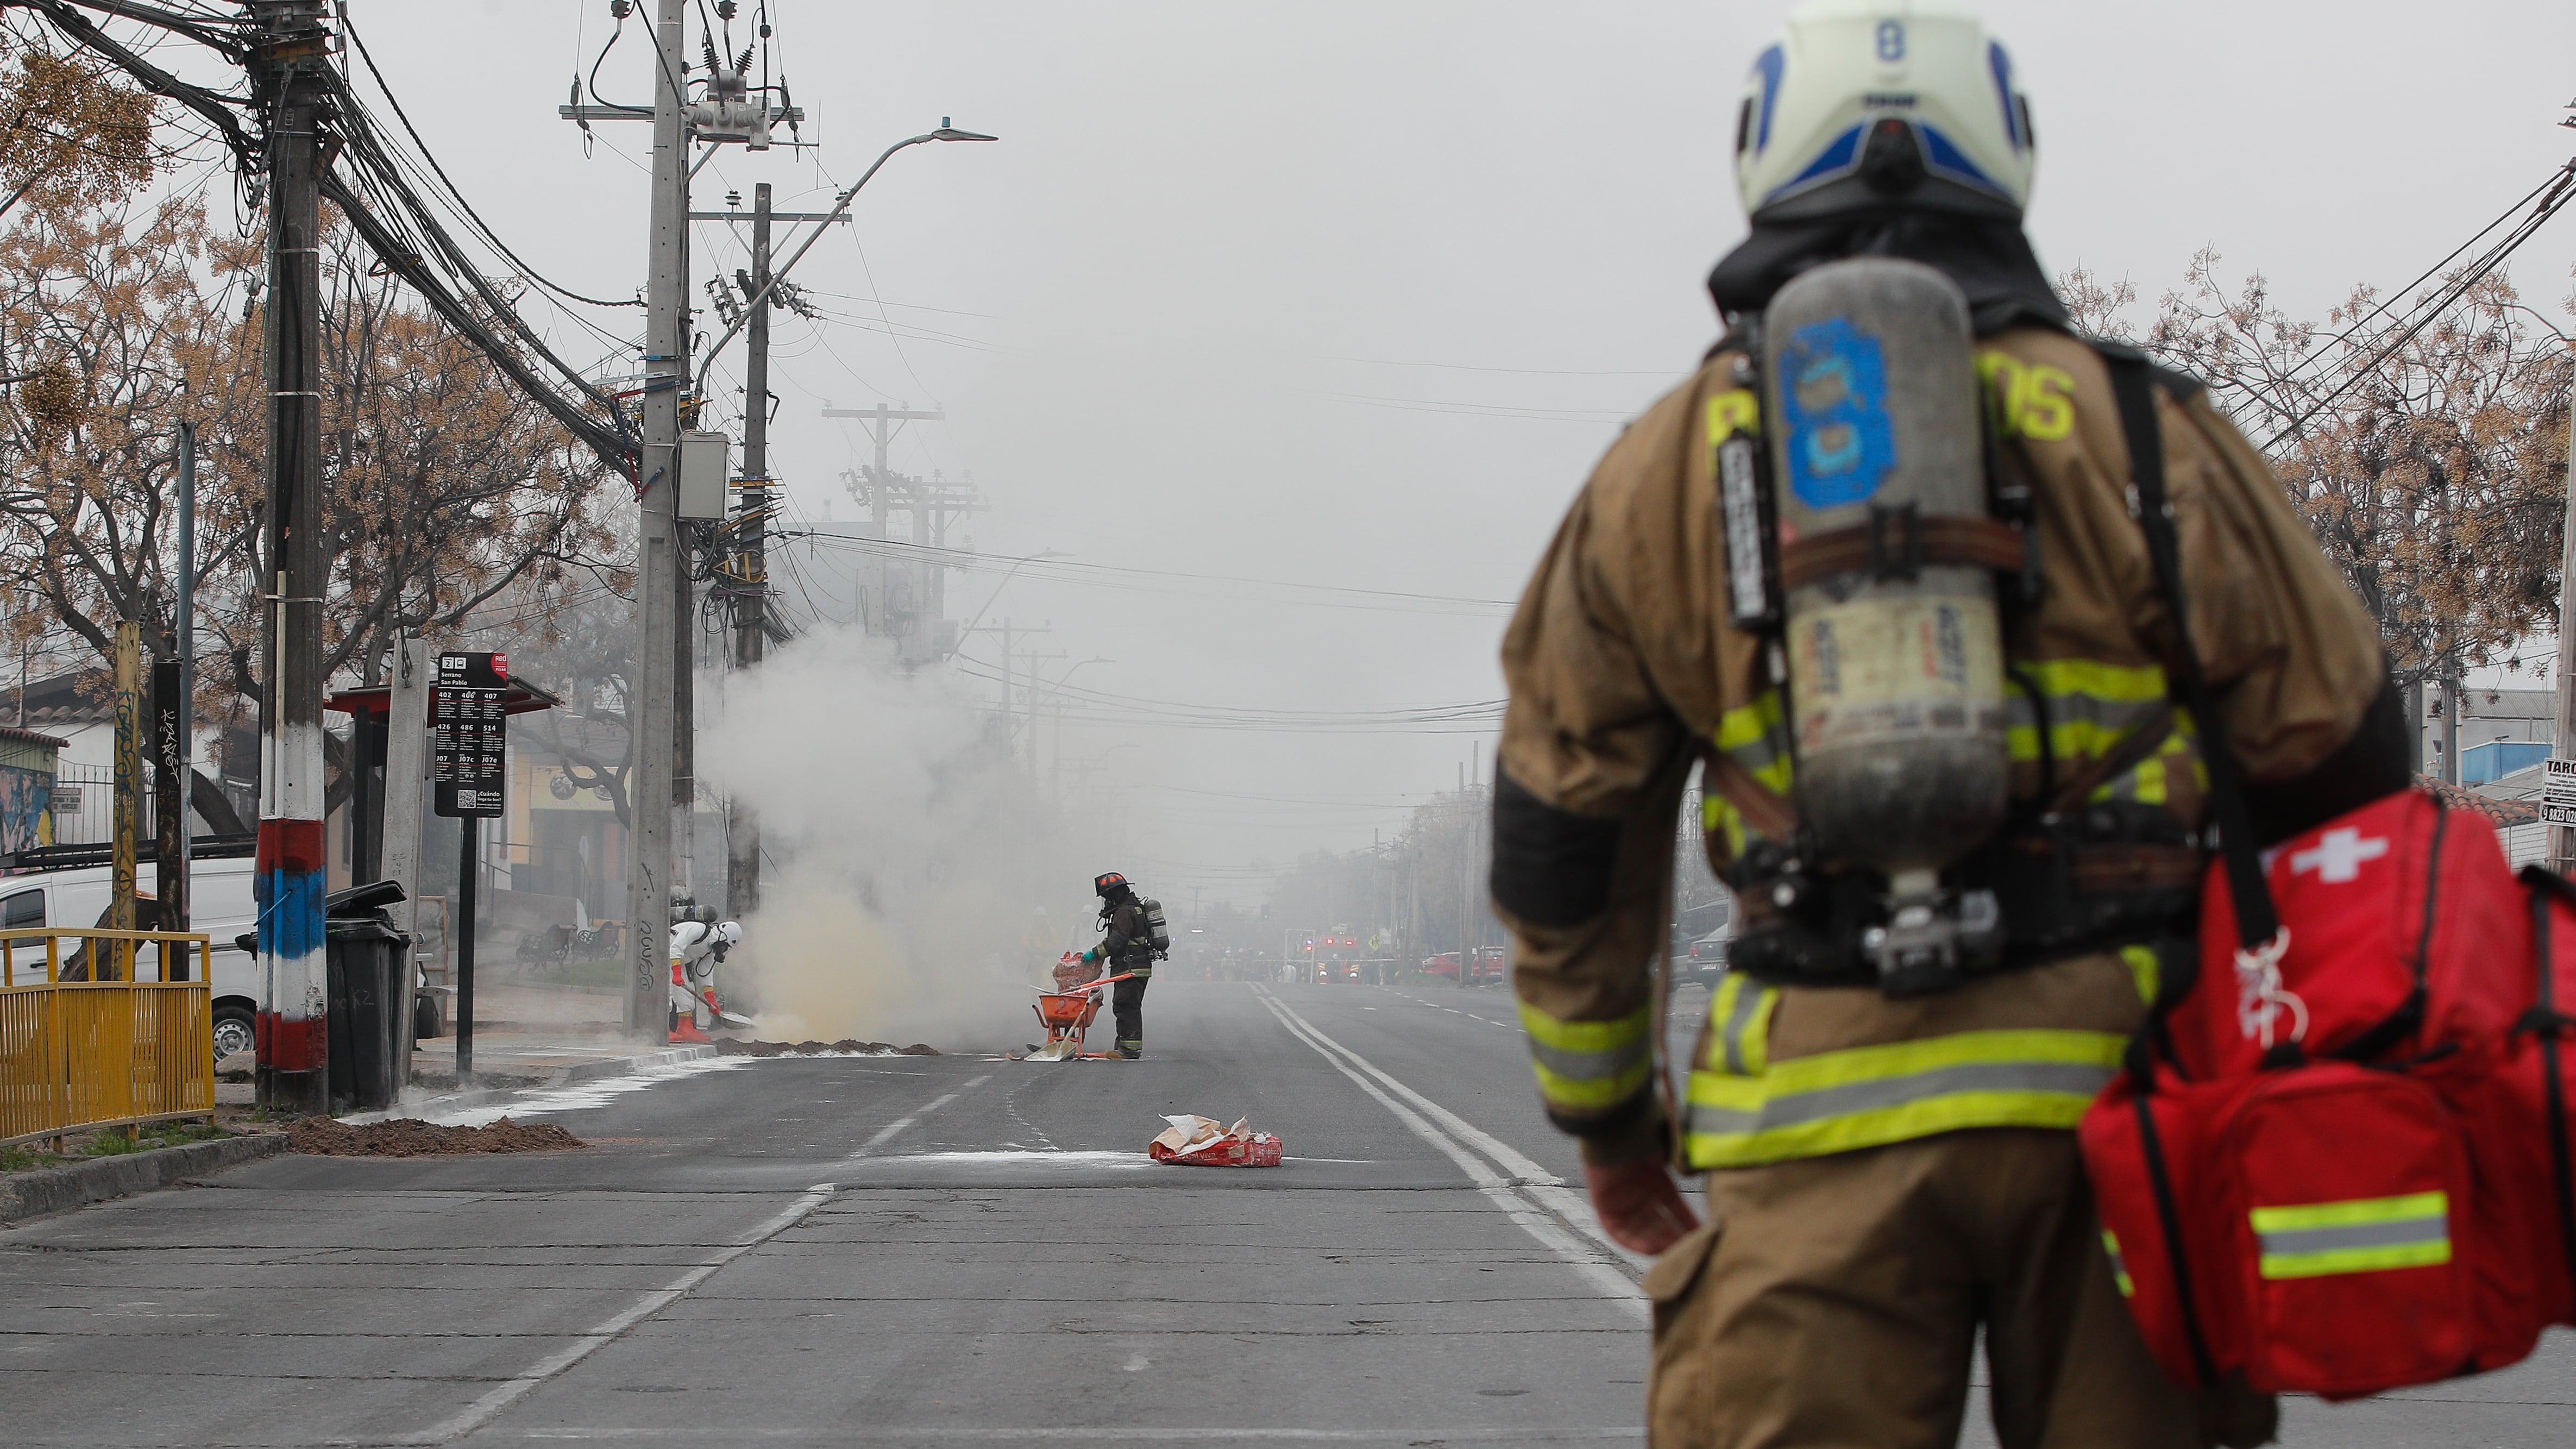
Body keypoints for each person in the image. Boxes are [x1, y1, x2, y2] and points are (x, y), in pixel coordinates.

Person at [1488, 5, 2409, 1447]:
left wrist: (1607, 1121)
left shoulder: (1657, 467)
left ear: (1764, 162)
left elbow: (1561, 837)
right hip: (2130, 1118)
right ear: (2006, 161)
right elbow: (2345, 754)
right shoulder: (2140, 427)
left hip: (1809, 1120)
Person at [1078, 872, 1156, 1059]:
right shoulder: (1134, 908)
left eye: (1106, 897)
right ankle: (1123, 1044)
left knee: (1126, 1005)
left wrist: (1094, 954)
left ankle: (1130, 1048)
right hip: (1136, 966)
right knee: (1126, 1005)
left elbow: (1117, 941)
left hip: (1130, 967)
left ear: (1115, 894)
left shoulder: (1124, 911)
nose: (1106, 902)